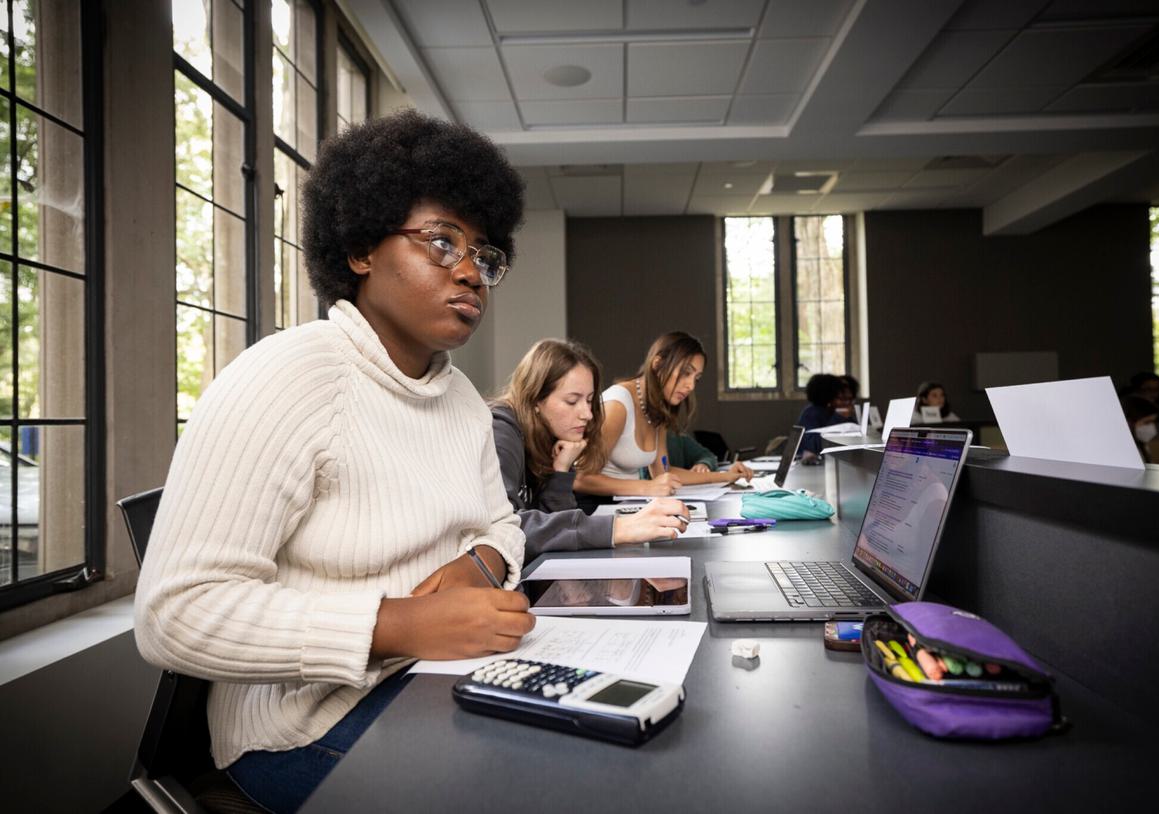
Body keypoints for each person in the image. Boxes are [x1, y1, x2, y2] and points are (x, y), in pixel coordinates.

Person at [134, 111, 537, 814]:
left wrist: (483, 563)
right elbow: (175, 614)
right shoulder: (288, 377)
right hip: (303, 727)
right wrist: (401, 624)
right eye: (442, 242)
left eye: (485, 254)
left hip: (435, 680)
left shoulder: (464, 401)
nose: (472, 272)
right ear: (359, 248)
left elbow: (506, 523)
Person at [490, 338, 689, 561]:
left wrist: (561, 471)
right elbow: (505, 531)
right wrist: (617, 529)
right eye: (572, 401)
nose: (587, 414)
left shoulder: (549, 435)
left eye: (589, 400)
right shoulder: (500, 433)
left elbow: (556, 529)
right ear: (535, 398)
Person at [574, 332, 753, 498]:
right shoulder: (618, 404)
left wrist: (724, 476)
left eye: (696, 378)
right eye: (685, 373)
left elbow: (663, 472)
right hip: (595, 508)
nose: (691, 386)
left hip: (625, 504)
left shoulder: (657, 409)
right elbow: (580, 479)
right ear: (657, 364)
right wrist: (648, 487)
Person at [797, 373, 844, 457]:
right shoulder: (811, 414)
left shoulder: (828, 411)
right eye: (837, 396)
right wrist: (838, 417)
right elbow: (813, 445)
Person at [1121, 394, 1159, 463]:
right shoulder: (1124, 453)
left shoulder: (1142, 446)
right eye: (1147, 422)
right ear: (1129, 422)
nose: (1151, 426)